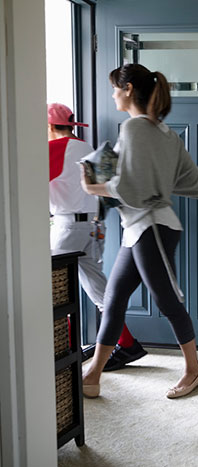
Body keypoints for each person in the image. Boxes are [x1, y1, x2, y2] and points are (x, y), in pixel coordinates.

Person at [79, 64, 198, 399]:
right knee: (114, 299)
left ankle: (194, 370)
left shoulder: (134, 129)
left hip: (151, 227)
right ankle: (93, 374)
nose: (112, 94)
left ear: (127, 89)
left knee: (168, 301)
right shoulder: (165, 134)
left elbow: (131, 189)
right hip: (142, 228)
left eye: (114, 88)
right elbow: (194, 179)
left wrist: (94, 187)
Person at [48, 103, 147, 372]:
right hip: (95, 226)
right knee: (98, 290)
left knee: (54, 291)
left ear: (49, 126)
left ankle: (65, 349)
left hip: (68, 228)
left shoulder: (54, 149)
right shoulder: (87, 147)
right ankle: (127, 343)